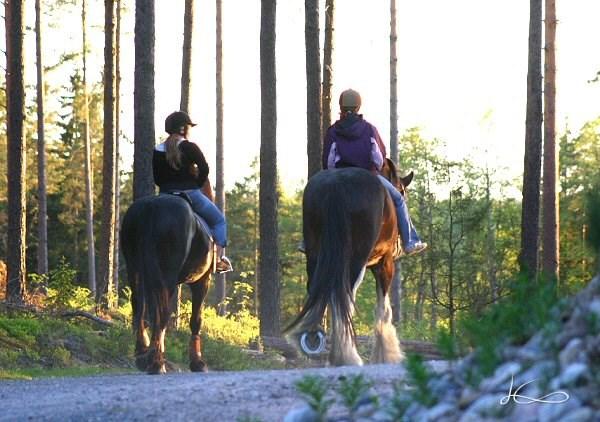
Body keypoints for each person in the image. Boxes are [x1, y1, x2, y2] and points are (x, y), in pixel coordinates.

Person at [322, 89, 427, 256]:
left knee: (319, 199)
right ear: (358, 106)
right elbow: (379, 159)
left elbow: (329, 161)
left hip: (340, 177)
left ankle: (308, 241)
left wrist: (336, 174)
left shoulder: (333, 131)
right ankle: (409, 241)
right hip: (368, 176)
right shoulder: (369, 129)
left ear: (341, 107)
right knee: (398, 199)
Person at [153, 111, 233, 273]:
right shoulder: (190, 147)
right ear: (183, 128)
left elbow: (157, 179)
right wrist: (195, 184)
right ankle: (218, 260)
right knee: (219, 221)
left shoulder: (157, 149)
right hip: (190, 194)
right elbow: (204, 169)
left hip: (165, 195)